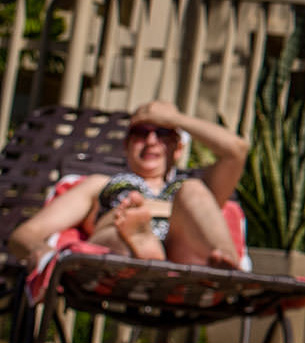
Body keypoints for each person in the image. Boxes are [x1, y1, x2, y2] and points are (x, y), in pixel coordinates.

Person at [6, 99, 250, 269]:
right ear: (125, 145)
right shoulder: (98, 185)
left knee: (194, 190)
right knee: (120, 220)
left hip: (181, 250)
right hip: (116, 252)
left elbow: (237, 150)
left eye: (163, 133)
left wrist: (174, 118)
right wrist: (41, 253)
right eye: (141, 132)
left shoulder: (194, 188)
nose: (151, 141)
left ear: (178, 148)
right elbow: (25, 234)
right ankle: (139, 241)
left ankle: (226, 261)